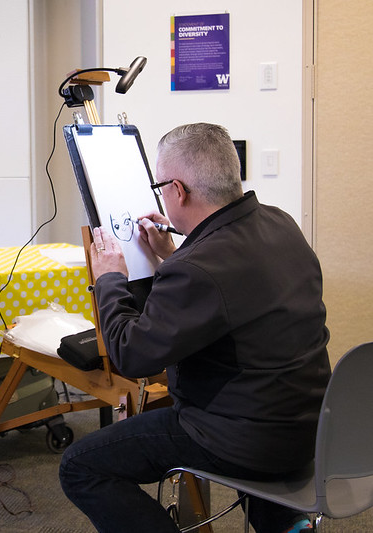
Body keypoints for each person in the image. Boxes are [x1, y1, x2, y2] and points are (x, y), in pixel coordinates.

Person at [58, 123, 330, 533]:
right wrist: (171, 256)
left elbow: (130, 354)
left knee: (81, 466)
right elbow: (229, 296)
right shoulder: (279, 223)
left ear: (178, 190)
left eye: (159, 186)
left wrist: (110, 277)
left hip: (244, 439)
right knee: (251, 414)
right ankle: (287, 523)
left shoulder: (199, 268)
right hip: (310, 427)